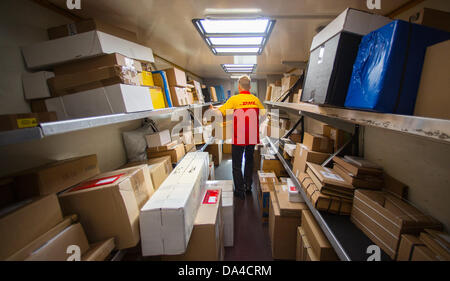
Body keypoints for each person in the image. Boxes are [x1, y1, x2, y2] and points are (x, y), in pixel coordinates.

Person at [209, 75, 265, 200]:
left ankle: (239, 191)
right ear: (250, 87)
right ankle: (248, 187)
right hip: (251, 136)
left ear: (239, 87)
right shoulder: (256, 99)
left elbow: (219, 113)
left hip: (238, 137)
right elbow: (264, 116)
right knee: (249, 161)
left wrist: (213, 110)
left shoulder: (234, 99)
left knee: (237, 164)